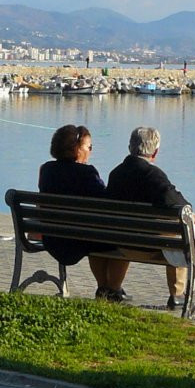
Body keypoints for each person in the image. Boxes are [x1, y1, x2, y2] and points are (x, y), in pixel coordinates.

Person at [106, 125, 195, 310]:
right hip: (149, 246)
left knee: (177, 226)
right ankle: (178, 294)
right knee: (184, 226)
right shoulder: (152, 175)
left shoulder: (116, 174)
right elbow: (182, 205)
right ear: (155, 152)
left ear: (130, 147)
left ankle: (113, 288)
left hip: (122, 243)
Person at [38, 124, 131, 302]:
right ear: (76, 149)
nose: (90, 151)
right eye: (89, 147)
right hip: (80, 239)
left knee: (95, 234)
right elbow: (106, 202)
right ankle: (113, 288)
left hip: (53, 237)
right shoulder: (87, 173)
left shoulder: (47, 170)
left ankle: (104, 288)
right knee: (121, 238)